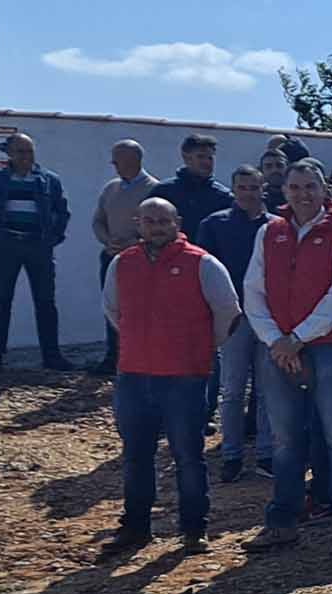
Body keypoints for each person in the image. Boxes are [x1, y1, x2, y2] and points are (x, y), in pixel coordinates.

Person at [241, 160, 332, 554]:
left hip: (329, 344)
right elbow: (253, 290)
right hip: (278, 345)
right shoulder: (269, 233)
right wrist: (275, 340)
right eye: (295, 186)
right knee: (284, 438)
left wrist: (296, 338)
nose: (302, 194)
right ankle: (282, 520)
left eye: (310, 186)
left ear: (324, 190)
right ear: (284, 191)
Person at [99, 197, 239, 554]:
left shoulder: (202, 263)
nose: (156, 227)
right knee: (135, 455)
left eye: (163, 220)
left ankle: (194, 529)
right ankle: (135, 527)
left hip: (185, 376)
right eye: (149, 220)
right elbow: (113, 312)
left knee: (188, 456)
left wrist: (199, 346)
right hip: (133, 374)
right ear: (138, 223)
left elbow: (227, 313)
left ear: (176, 222)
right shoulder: (121, 263)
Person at [0, 133, 74, 371]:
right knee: (0, 300)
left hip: (38, 246)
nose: (26, 156)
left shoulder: (49, 180)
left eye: (29, 151)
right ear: (9, 153)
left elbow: (62, 212)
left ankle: (52, 356)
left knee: (46, 301)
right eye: (20, 151)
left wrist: (51, 240)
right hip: (6, 246)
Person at [200, 165, 276, 481]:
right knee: (231, 390)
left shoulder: (278, 227)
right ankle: (231, 454)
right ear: (233, 190)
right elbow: (202, 273)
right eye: (242, 187)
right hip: (233, 318)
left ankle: (265, 453)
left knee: (267, 389)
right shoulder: (214, 225)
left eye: (254, 187)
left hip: (270, 318)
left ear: (264, 190)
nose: (248, 193)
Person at [91, 141, 163, 374]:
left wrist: (135, 244)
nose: (113, 164)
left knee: (140, 309)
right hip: (111, 257)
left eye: (117, 159)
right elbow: (98, 220)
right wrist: (107, 240)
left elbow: (159, 228)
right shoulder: (110, 189)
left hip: (142, 260)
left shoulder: (155, 189)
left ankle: (140, 358)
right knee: (112, 306)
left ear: (134, 159)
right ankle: (113, 357)